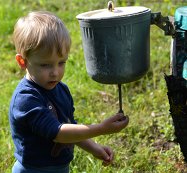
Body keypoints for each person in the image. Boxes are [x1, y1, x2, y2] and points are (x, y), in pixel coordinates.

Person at [9, 11, 129, 173]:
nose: (55, 72)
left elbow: (70, 128)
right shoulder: (26, 100)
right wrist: (101, 128)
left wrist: (94, 148)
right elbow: (59, 133)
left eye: (61, 63)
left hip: (60, 168)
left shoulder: (61, 90)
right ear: (22, 61)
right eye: (45, 65)